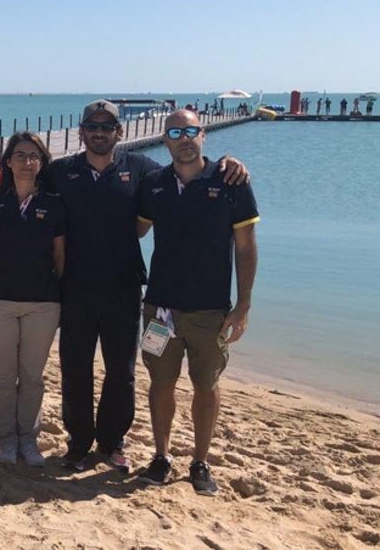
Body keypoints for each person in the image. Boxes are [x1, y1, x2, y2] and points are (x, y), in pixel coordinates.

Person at [45, 100, 248, 473]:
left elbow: (185, 170)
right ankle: (78, 443)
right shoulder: (61, 172)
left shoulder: (141, 169)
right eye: (93, 126)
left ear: (120, 133)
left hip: (125, 288)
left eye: (108, 126)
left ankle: (111, 442)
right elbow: (21, 179)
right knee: (75, 368)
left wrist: (228, 162)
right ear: (82, 132)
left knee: (121, 371)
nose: (101, 132)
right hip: (74, 288)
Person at [135, 110, 259, 495]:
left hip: (211, 311)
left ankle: (200, 462)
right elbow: (130, 230)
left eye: (191, 131)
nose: (184, 138)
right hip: (160, 309)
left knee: (206, 384)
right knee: (161, 383)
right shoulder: (153, 184)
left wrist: (243, 306)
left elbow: (246, 246)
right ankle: (161, 456)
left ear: (203, 135)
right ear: (165, 139)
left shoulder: (230, 180)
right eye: (176, 132)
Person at [0, 132, 65, 467]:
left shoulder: (54, 203)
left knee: (31, 376)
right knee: (1, 375)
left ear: (41, 163)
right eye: (20, 155)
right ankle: (5, 439)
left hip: (42, 302)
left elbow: (60, 255)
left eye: (34, 156)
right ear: (8, 161)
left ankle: (28, 439)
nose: (27, 162)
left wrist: (61, 294)